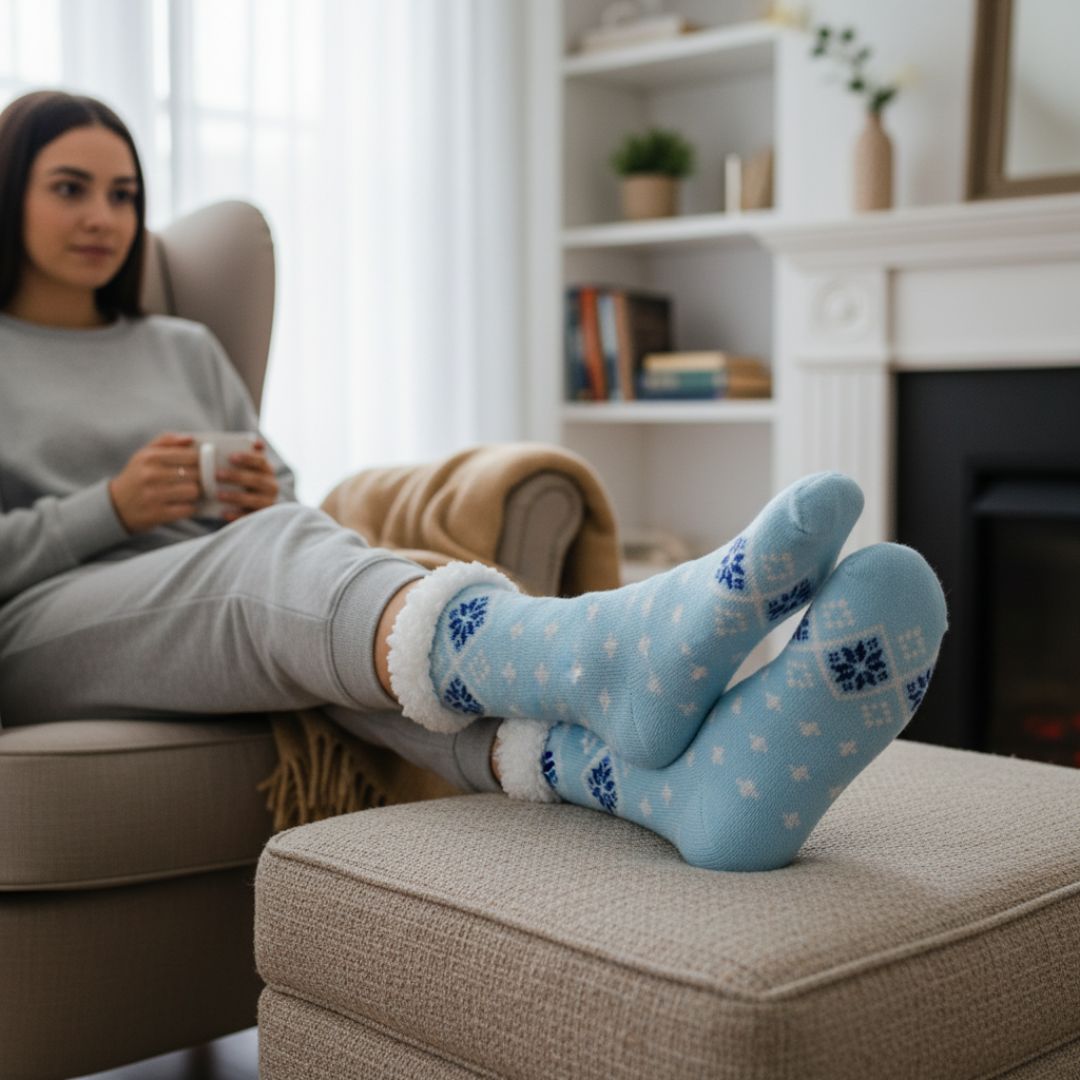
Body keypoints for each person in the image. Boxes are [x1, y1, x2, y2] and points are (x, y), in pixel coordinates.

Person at [0, 89, 948, 873]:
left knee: (337, 629)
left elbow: (280, 492)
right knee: (274, 567)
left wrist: (260, 489)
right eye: (70, 188)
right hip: (45, 621)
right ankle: (599, 645)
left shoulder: (183, 344)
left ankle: (682, 790)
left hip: (210, 582)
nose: (103, 217)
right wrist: (110, 507)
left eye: (123, 194)